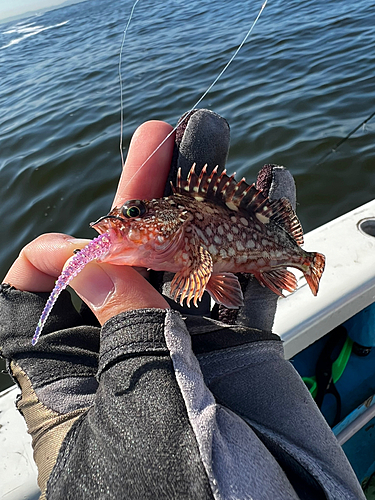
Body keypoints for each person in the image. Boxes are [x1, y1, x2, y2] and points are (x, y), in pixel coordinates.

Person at [0, 110, 365, 500]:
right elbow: (205, 271)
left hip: (273, 257)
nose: (115, 224)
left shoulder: (187, 230)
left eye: (134, 214)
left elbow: (204, 266)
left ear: (173, 221)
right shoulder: (168, 240)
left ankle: (299, 261)